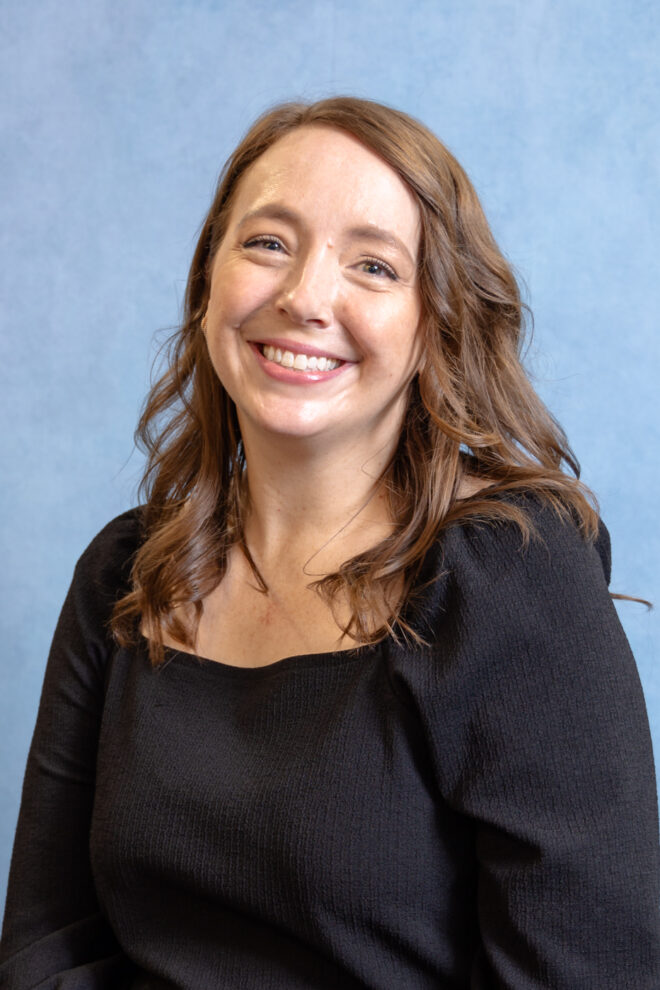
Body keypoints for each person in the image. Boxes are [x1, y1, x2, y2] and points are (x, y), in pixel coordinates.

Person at [1, 96, 658, 990]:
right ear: (206, 287)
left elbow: (591, 973)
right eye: (267, 243)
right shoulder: (124, 573)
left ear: (436, 327)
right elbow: (48, 950)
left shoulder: (511, 575)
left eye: (375, 266)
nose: (305, 296)